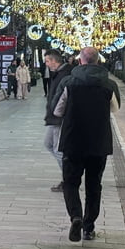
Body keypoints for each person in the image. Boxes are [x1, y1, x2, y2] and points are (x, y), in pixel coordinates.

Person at [54, 47, 121, 242]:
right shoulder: (109, 84)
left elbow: (57, 110)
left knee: (71, 182)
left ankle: (75, 216)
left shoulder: (68, 82)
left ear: (80, 61)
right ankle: (89, 226)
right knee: (94, 185)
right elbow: (115, 109)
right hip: (99, 142)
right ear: (98, 61)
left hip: (73, 140)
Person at [43, 50, 73, 193]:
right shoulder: (59, 74)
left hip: (59, 118)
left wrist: (57, 114)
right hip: (53, 118)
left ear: (54, 61)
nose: (46, 64)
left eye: (47, 61)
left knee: (58, 149)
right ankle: (69, 176)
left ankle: (69, 180)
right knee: (48, 144)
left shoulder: (65, 75)